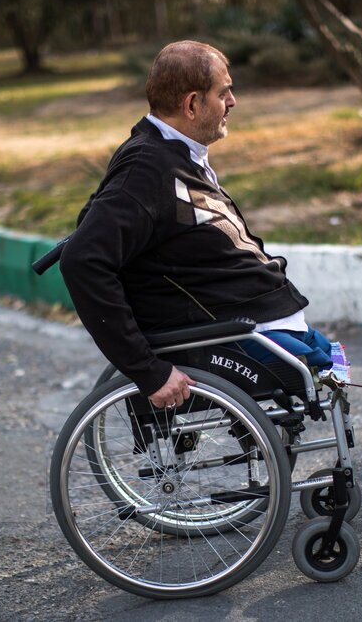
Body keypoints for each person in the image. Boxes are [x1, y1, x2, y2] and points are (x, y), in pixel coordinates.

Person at [60, 40, 332, 409]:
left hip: (261, 319)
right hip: (237, 334)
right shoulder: (146, 169)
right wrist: (149, 371)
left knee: (331, 360)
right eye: (224, 92)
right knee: (321, 368)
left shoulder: (174, 153)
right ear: (191, 105)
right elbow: (82, 260)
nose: (232, 102)